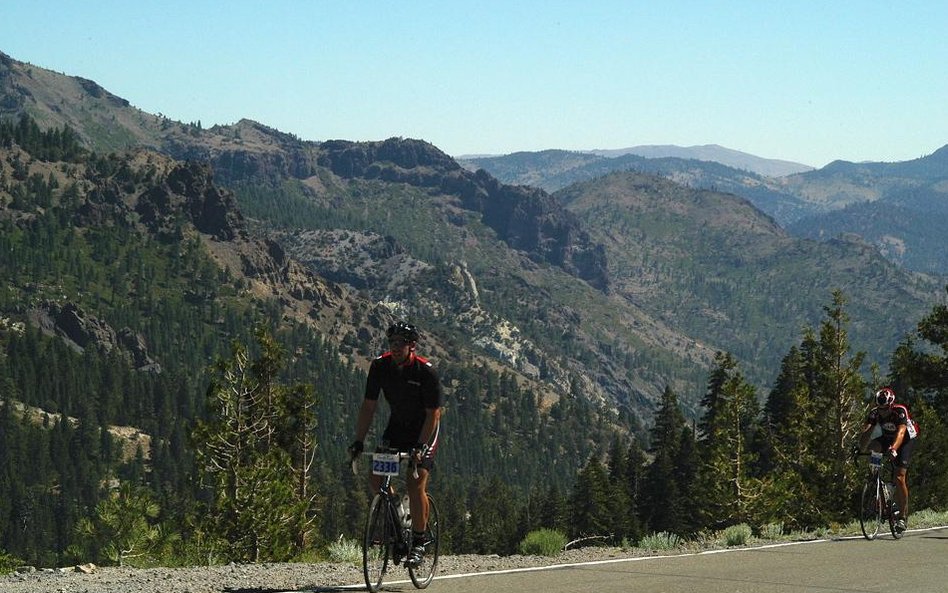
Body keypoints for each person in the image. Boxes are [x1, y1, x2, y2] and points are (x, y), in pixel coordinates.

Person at [349, 321, 443, 566]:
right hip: (398, 427)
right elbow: (369, 406)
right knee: (376, 479)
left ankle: (420, 542)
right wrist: (359, 440)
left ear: (412, 346)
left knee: (415, 483)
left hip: (425, 430)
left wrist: (421, 447)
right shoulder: (380, 366)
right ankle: (398, 517)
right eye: (392, 343)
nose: (396, 347)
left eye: (401, 343)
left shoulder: (425, 372)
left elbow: (434, 413)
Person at [858, 386, 917, 532]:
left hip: (905, 440)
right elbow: (866, 434)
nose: (882, 412)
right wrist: (860, 448)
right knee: (874, 446)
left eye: (885, 409)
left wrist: (894, 449)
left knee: (899, 477)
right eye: (879, 409)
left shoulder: (899, 411)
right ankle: (875, 476)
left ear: (891, 405)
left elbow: (901, 432)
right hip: (887, 437)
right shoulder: (875, 413)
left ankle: (902, 518)